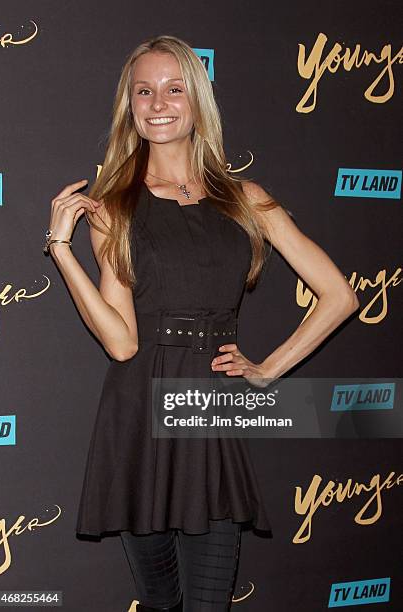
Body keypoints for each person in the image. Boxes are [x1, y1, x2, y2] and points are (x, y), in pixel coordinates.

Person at [44, 35, 359, 612]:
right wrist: (61, 250)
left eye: (173, 88)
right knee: (161, 602)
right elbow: (120, 343)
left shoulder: (246, 200)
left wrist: (267, 371)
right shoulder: (113, 207)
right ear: (129, 106)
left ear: (198, 103)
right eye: (143, 91)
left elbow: (339, 295)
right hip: (138, 411)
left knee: (210, 603)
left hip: (208, 406)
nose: (157, 103)